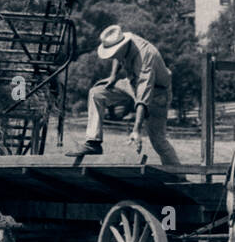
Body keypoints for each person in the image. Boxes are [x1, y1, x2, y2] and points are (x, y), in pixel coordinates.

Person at [76, 25, 181, 164]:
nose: (113, 55)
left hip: (156, 92)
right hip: (131, 83)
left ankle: (178, 177)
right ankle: (93, 142)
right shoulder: (120, 40)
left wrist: (136, 130)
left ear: (122, 46)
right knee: (96, 93)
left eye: (114, 52)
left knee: (158, 142)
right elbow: (117, 57)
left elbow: (143, 97)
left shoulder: (145, 57)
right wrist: (113, 76)